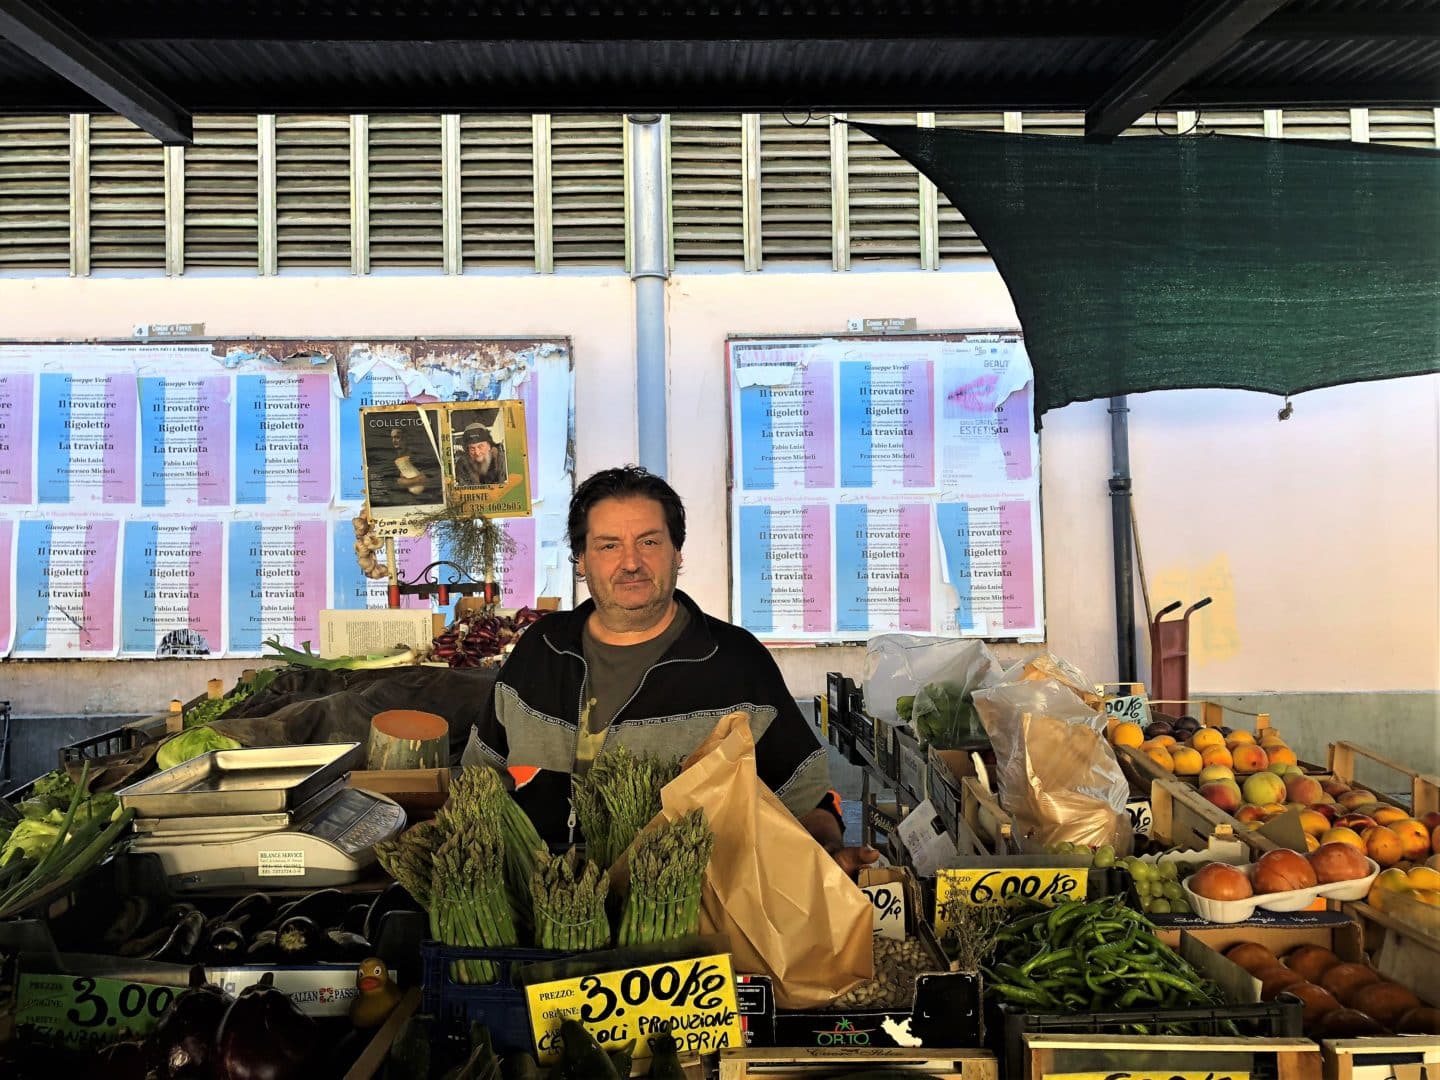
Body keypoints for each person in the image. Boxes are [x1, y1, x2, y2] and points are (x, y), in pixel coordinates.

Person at [463, 465, 878, 875]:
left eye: (649, 542)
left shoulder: (735, 662)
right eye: (609, 545)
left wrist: (828, 849)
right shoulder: (540, 650)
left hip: (691, 924)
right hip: (535, 918)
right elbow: (481, 780)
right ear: (581, 560)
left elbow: (804, 799)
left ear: (676, 553)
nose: (631, 563)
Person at [453, 422, 507, 486]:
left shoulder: (503, 461)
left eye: (480, 447)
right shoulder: (462, 465)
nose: (477, 453)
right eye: (472, 449)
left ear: (489, 446)